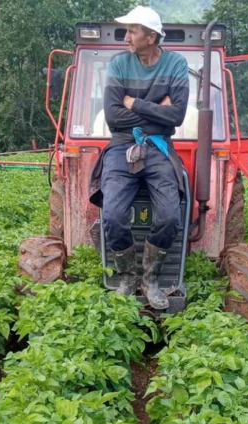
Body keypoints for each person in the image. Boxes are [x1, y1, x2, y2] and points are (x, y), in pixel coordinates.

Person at [87, 7, 189, 310]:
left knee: (171, 215)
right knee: (113, 215)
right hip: (121, 145)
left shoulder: (176, 64)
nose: (126, 36)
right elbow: (113, 116)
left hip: (158, 146)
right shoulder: (119, 64)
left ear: (151, 36)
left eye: (132, 31)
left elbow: (178, 115)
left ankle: (151, 278)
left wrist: (134, 103)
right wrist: (157, 109)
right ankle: (128, 275)